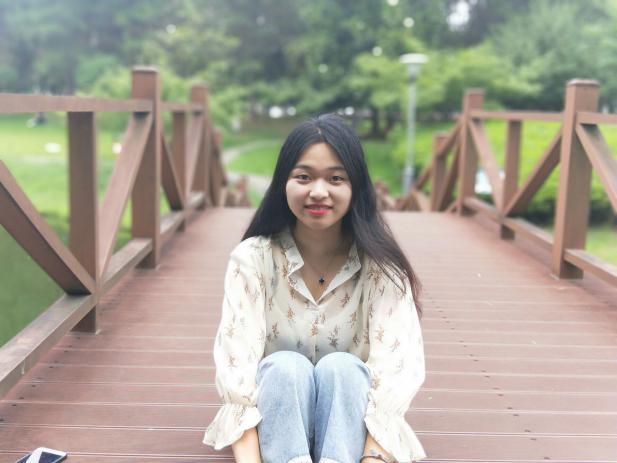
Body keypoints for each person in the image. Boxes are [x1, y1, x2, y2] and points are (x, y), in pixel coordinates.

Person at [203, 114, 427, 463]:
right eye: (304, 177)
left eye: (336, 178)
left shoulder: (381, 267)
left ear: (356, 187)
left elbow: (394, 370)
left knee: (343, 368)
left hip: (349, 437)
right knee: (284, 367)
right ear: (283, 183)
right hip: (277, 427)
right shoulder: (252, 259)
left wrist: (371, 458)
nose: (319, 192)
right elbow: (238, 369)